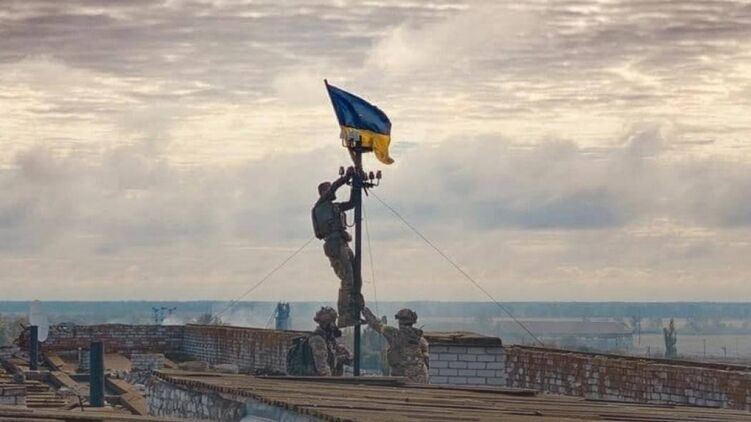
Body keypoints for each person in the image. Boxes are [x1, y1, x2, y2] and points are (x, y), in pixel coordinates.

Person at [312, 167, 363, 327]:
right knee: (347, 280)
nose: (331, 192)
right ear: (323, 193)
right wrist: (346, 177)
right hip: (334, 245)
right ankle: (344, 316)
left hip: (342, 244)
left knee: (356, 278)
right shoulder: (320, 205)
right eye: (328, 189)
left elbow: (352, 203)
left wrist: (356, 185)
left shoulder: (333, 207)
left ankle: (355, 311)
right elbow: (334, 188)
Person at [362, 307, 430, 383]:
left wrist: (365, 311)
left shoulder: (394, 334)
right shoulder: (420, 339)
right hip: (420, 379)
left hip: (401, 378)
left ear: (399, 321)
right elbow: (426, 360)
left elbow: (376, 325)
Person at [309, 307, 351, 376]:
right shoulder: (318, 340)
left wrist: (341, 357)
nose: (334, 325)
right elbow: (323, 370)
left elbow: (349, 360)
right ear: (325, 323)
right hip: (315, 380)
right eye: (332, 322)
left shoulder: (328, 340)